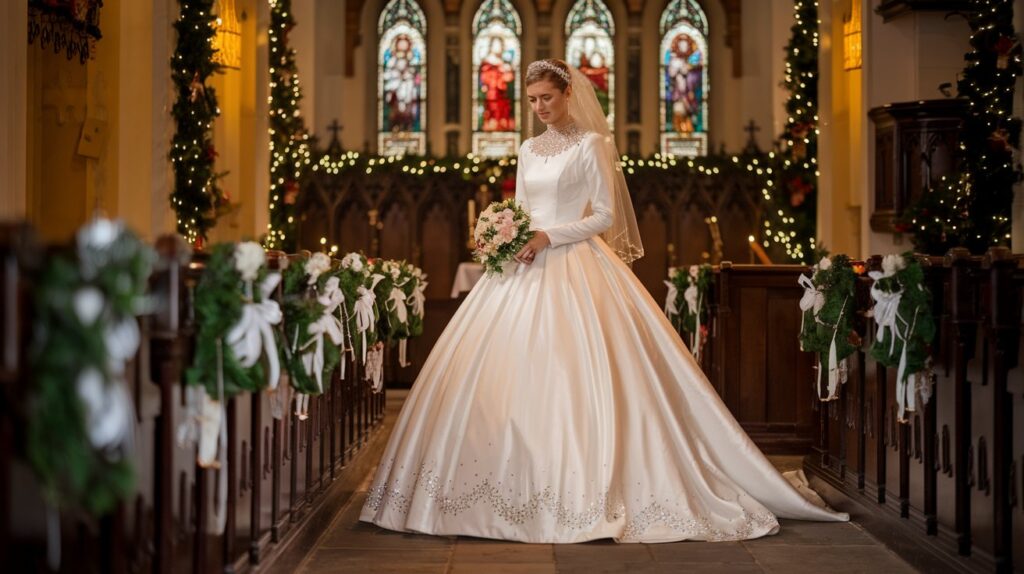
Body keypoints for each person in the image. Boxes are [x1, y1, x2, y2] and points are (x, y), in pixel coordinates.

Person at [360, 58, 848, 543]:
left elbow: (604, 215)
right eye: (531, 101)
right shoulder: (528, 149)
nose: (539, 108)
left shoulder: (593, 145)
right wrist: (504, 234)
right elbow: (525, 207)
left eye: (546, 98)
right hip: (524, 267)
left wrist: (550, 236)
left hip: (577, 263)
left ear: (568, 93)